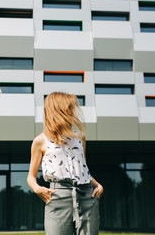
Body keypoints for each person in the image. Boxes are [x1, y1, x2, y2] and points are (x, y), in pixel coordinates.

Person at [27, 92, 103, 235]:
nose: (73, 111)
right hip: (58, 197)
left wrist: (98, 185)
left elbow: (83, 169)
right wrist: (37, 188)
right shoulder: (40, 141)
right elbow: (30, 176)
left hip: (87, 195)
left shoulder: (80, 137)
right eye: (69, 107)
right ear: (58, 110)